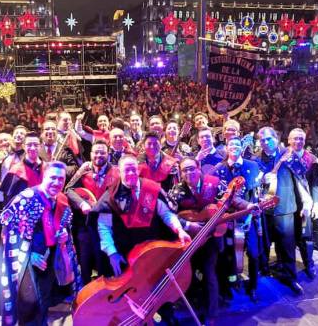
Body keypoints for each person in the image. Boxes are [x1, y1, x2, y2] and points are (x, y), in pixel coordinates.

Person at [94, 155, 191, 325]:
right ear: (119, 171)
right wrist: (112, 253)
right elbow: (104, 228)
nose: (131, 172)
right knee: (133, 293)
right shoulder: (110, 194)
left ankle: (166, 315)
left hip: (153, 251)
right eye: (126, 169)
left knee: (158, 286)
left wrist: (179, 229)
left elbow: (167, 214)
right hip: (126, 253)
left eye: (133, 168)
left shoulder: (152, 189)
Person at [168, 157, 256, 321]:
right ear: (180, 173)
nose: (189, 173)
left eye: (191, 169)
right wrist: (187, 225)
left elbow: (231, 198)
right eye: (185, 170)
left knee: (209, 273)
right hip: (189, 240)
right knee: (188, 273)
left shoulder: (213, 182)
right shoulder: (176, 190)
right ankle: (193, 304)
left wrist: (248, 206)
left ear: (198, 168)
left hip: (211, 239)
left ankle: (212, 313)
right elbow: (169, 215)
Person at [0, 161, 82, 326]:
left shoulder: (62, 200)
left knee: (43, 303)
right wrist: (28, 255)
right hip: (28, 264)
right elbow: (9, 230)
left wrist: (64, 236)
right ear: (44, 176)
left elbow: (64, 228)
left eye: (61, 179)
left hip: (50, 261)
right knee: (30, 307)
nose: (57, 183)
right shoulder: (27, 198)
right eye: (53, 178)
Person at [252, 126, 304, 295]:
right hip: (264, 210)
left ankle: (290, 277)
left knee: (287, 246)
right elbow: (252, 185)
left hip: (285, 207)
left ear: (276, 138)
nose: (266, 143)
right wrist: (261, 180)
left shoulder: (287, 154)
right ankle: (262, 274)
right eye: (262, 140)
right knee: (264, 245)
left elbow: (302, 172)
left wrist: (294, 159)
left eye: (269, 139)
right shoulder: (255, 159)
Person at [211, 137, 263, 302]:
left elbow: (256, 194)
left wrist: (252, 213)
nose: (234, 147)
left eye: (237, 144)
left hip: (249, 218)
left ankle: (253, 286)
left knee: (254, 253)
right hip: (228, 220)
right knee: (227, 255)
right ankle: (228, 287)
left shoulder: (252, 166)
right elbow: (219, 196)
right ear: (226, 148)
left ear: (242, 148)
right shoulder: (218, 169)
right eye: (231, 144)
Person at [65, 139, 119, 282]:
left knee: (104, 262)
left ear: (108, 154)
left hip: (107, 225)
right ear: (91, 154)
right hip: (86, 224)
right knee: (85, 260)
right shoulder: (84, 168)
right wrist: (82, 203)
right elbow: (68, 190)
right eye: (96, 152)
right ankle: (84, 293)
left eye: (102, 152)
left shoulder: (116, 172)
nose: (99, 155)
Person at [287, 128, 318, 279]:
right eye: (295, 139)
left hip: (305, 205)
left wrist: (315, 204)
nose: (298, 142)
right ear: (289, 140)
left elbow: (315, 184)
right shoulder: (283, 158)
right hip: (287, 204)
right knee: (286, 236)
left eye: (301, 139)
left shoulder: (311, 160)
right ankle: (285, 264)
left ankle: (309, 263)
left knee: (306, 236)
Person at [0, 132, 44, 205]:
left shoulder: (48, 169)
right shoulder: (15, 171)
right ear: (23, 146)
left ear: (41, 146)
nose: (32, 148)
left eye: (36, 145)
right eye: (29, 145)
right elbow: (9, 201)